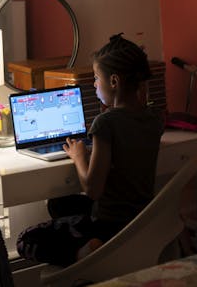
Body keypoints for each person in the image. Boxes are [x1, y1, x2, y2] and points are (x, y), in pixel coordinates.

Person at [16, 33, 164, 267]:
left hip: (109, 222)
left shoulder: (106, 123)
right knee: (58, 203)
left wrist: (79, 156)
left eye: (96, 78)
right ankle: (95, 245)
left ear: (113, 82)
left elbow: (92, 188)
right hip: (140, 218)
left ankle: (88, 253)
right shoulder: (154, 120)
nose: (94, 84)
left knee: (25, 240)